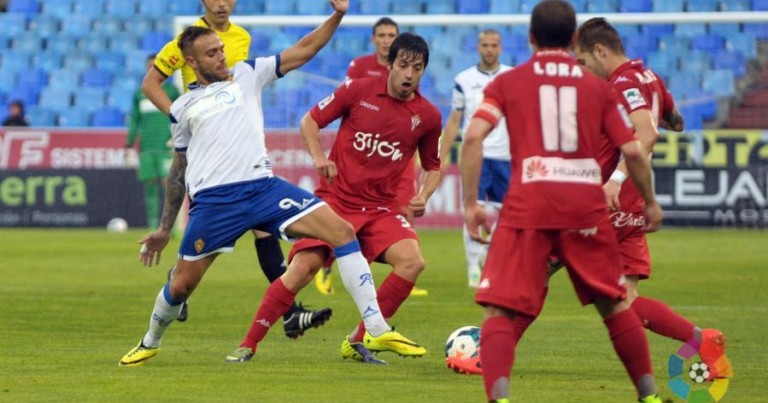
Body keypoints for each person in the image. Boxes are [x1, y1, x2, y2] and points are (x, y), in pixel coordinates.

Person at [119, 4, 421, 367]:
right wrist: (165, 229)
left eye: (221, 49)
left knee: (341, 231)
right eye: (212, 53)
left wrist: (337, 16)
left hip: (263, 189)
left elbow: (304, 50)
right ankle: (150, 341)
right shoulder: (183, 108)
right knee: (182, 285)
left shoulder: (247, 73)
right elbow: (178, 170)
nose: (222, 56)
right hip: (216, 202)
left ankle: (375, 326)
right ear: (192, 63)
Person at [455, 1, 664, 402]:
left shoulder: (509, 82)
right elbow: (635, 151)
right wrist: (650, 202)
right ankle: (649, 395)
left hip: (528, 205)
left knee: (500, 310)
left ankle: (498, 398)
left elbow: (475, 136)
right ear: (573, 40)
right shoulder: (597, 87)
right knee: (616, 306)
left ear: (530, 38)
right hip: (584, 205)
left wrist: (470, 204)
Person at [228, 32, 440, 365]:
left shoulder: (427, 116)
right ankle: (248, 344)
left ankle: (359, 340)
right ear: (390, 64)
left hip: (380, 209)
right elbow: (309, 121)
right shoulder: (358, 89)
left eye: (417, 68)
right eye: (403, 65)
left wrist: (424, 194)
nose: (409, 74)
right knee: (301, 271)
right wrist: (318, 158)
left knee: (413, 261)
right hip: (336, 201)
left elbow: (433, 166)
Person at [142, 0, 331, 336]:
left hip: (237, 143)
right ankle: (178, 283)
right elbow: (150, 83)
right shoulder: (183, 43)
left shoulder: (240, 37)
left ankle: (289, 312)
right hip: (204, 146)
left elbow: (243, 79)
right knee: (228, 242)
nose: (221, 3)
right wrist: (178, 115)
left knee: (265, 230)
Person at [572, 17, 731, 380]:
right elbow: (675, 121)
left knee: (536, 266)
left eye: (583, 61)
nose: (582, 70)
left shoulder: (624, 81)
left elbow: (647, 132)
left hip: (608, 201)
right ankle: (703, 340)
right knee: (625, 299)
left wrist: (614, 178)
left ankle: (489, 349)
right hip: (633, 204)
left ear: (600, 51)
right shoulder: (650, 77)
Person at [313, 17, 428, 297]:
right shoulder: (360, 69)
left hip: (393, 159)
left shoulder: (409, 71)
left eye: (392, 34)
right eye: (382, 35)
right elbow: (346, 106)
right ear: (374, 39)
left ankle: (400, 272)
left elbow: (413, 116)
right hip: (360, 157)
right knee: (341, 223)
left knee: (401, 210)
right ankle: (325, 266)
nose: (387, 39)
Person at [439, 29, 512, 288]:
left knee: (510, 215)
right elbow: (454, 121)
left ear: (500, 48)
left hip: (506, 156)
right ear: (478, 47)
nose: (489, 49)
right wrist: (441, 154)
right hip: (477, 157)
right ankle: (473, 267)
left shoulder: (511, 77)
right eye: (485, 45)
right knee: (472, 209)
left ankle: (492, 258)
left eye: (494, 45)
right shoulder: (463, 79)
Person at [126, 54, 181, 229]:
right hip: (146, 147)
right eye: (149, 66)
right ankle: (152, 226)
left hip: (166, 146)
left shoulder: (172, 91)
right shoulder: (139, 93)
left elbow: (179, 117)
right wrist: (130, 142)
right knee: (150, 187)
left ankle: (170, 227)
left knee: (169, 186)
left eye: (155, 66)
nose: (151, 70)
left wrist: (176, 139)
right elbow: (135, 119)